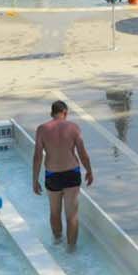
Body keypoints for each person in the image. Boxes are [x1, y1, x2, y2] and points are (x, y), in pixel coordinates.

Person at [31, 100, 94, 251]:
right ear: (65, 112)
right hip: (72, 173)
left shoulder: (42, 129)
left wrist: (35, 179)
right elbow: (82, 153)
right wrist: (89, 170)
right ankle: (71, 248)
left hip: (52, 174)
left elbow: (37, 156)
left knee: (55, 212)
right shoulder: (73, 127)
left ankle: (58, 241)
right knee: (72, 215)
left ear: (51, 113)